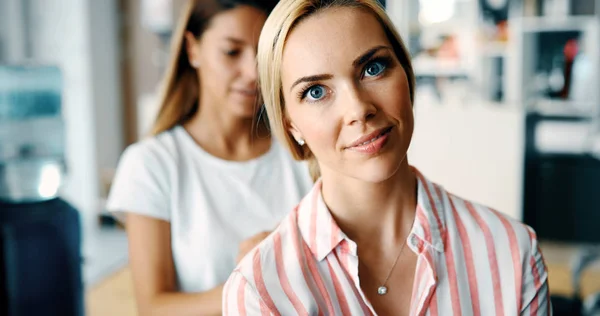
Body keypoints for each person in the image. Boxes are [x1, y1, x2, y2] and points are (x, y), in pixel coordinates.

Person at [223, 0, 551, 315]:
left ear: (406, 76)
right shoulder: (261, 291)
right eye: (316, 92)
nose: (358, 109)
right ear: (290, 125)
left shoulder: (511, 252)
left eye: (373, 68)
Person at [106, 0, 313, 315]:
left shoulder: (302, 151)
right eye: (232, 52)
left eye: (264, 53)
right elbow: (154, 307)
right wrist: (256, 279)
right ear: (193, 49)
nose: (253, 72)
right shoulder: (151, 165)